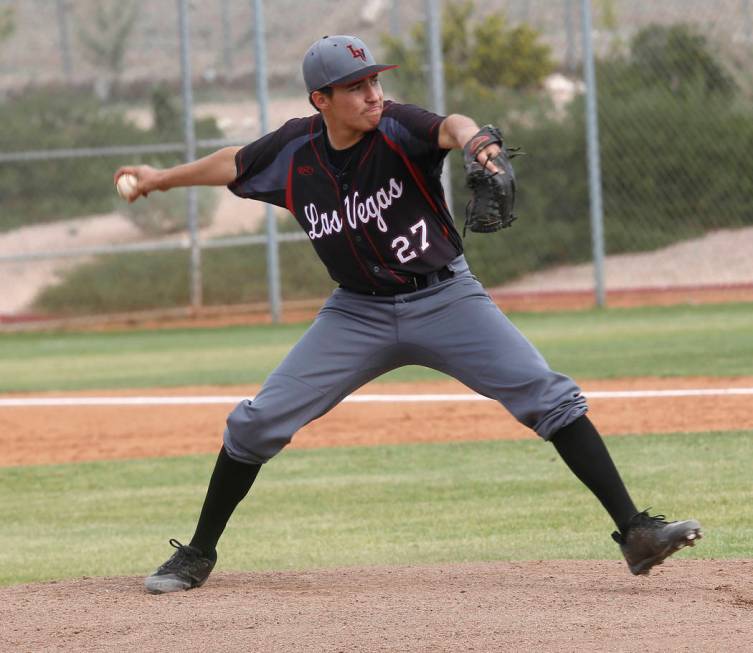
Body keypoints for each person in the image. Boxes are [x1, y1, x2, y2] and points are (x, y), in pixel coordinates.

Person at [115, 35, 702, 594]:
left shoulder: (397, 126)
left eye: (373, 80)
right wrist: (161, 180)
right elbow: (234, 163)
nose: (372, 94)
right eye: (355, 87)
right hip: (356, 315)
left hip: (446, 298)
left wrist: (479, 147)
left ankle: (636, 533)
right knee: (254, 423)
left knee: (549, 397)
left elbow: (452, 127)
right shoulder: (296, 150)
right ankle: (198, 552)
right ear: (321, 100)